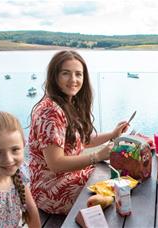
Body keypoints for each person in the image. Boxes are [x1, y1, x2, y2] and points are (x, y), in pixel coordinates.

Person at [29, 50, 129, 214]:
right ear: (54, 76)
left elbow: (80, 140)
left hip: (70, 176)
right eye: (66, 73)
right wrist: (96, 156)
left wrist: (112, 134)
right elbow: (55, 164)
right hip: (50, 189)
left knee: (121, 179)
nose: (73, 80)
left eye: (78, 74)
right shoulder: (50, 112)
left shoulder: (67, 103)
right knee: (118, 191)